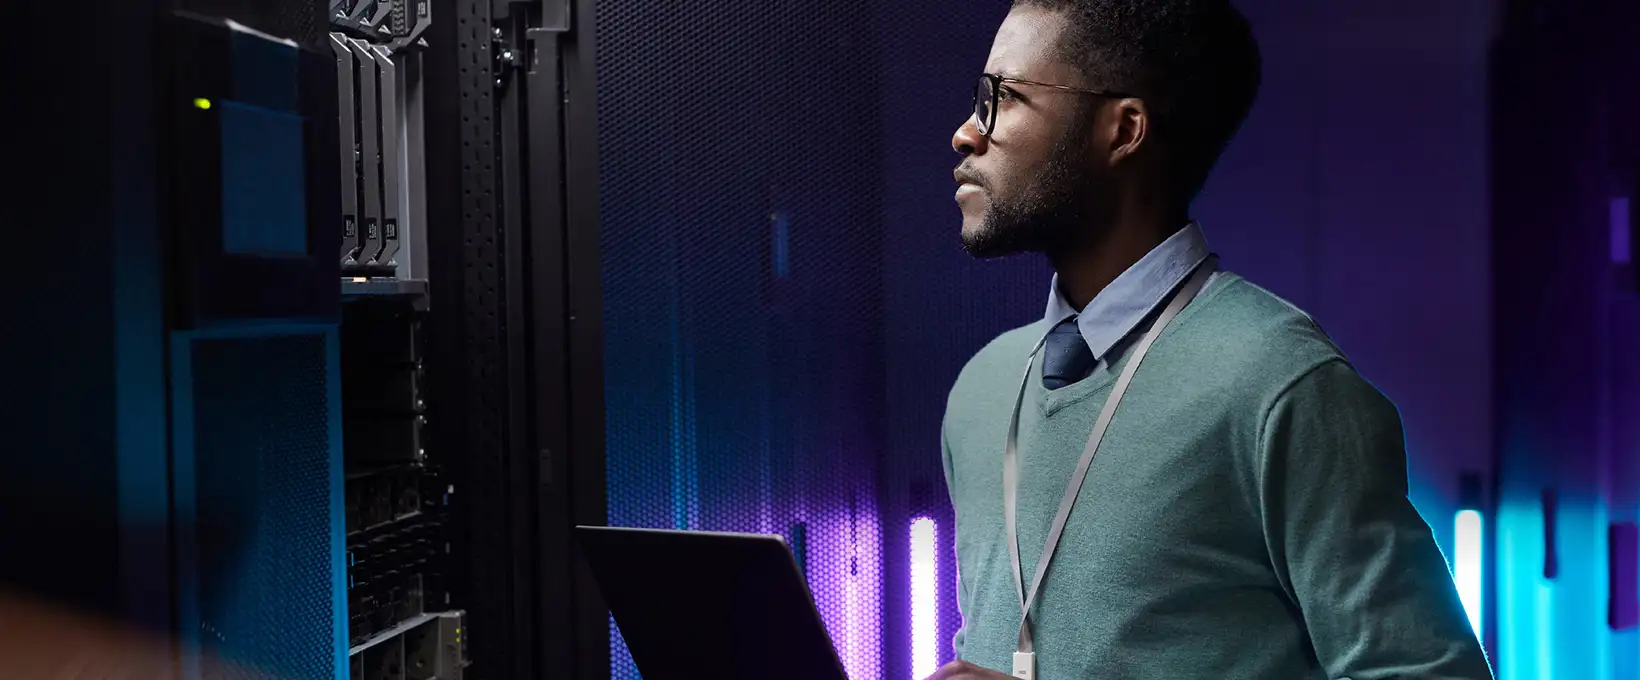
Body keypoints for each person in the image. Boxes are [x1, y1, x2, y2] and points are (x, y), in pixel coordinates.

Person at [930, 1, 1495, 679]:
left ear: (1124, 130)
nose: (967, 133)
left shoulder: (1280, 382)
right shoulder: (982, 390)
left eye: (1006, 99)